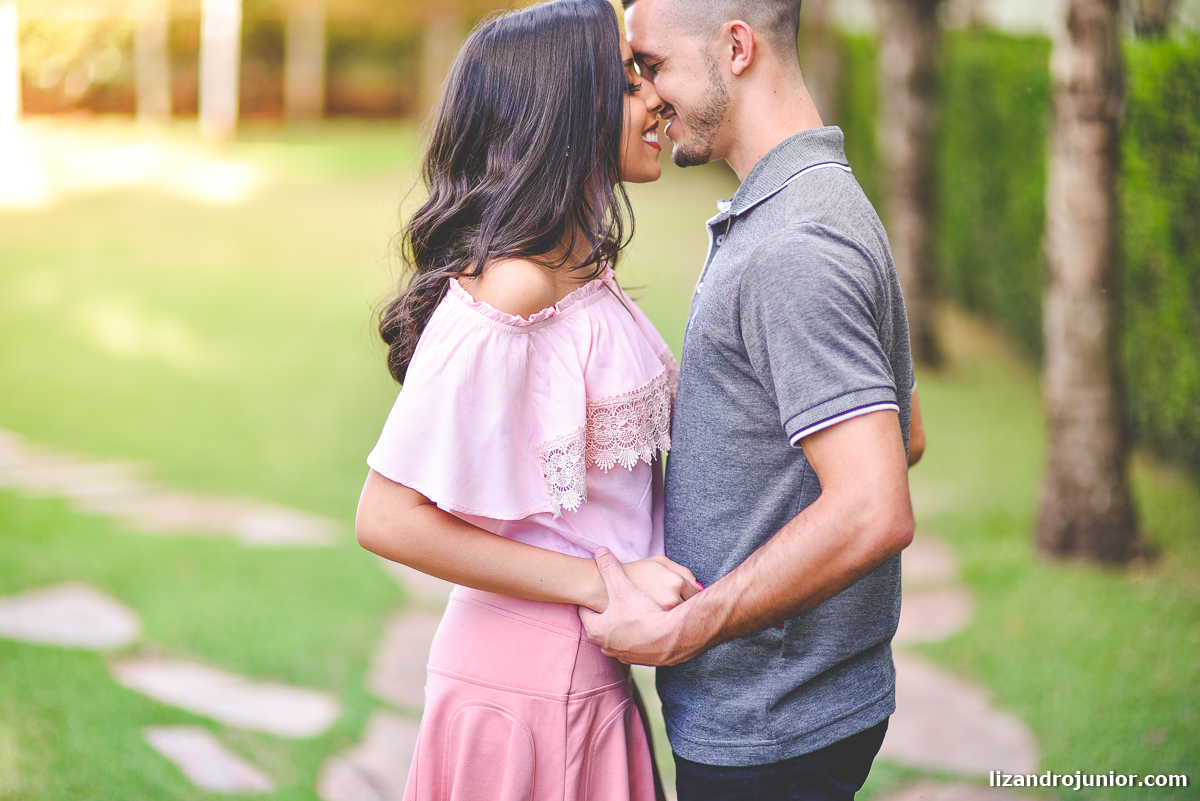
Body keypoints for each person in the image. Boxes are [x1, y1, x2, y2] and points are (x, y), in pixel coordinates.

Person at [580, 0, 926, 798]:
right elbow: (900, 432)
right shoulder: (813, 199)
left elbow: (875, 505)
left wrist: (686, 628)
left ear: (736, 47)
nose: (647, 96)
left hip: (771, 727)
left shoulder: (795, 243)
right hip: (793, 711)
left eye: (654, 65)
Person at [355, 0, 698, 798]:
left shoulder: (580, 267)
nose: (656, 99)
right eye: (629, 83)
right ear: (566, 108)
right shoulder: (516, 286)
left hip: (585, 674)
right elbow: (387, 516)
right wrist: (606, 581)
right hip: (526, 686)